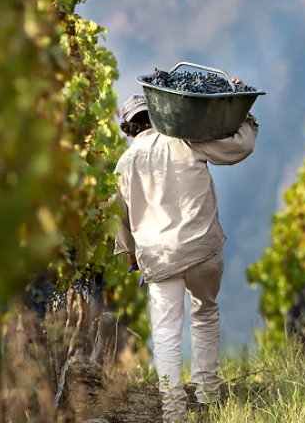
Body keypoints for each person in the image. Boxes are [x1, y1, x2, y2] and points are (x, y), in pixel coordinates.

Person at [114, 93, 258, 422]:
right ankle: (208, 395)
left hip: (159, 257)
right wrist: (247, 118)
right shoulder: (184, 140)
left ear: (128, 131)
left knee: (165, 332)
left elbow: (118, 220)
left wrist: (133, 256)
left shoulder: (125, 164)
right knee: (205, 314)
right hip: (201, 248)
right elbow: (239, 147)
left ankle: (173, 410)